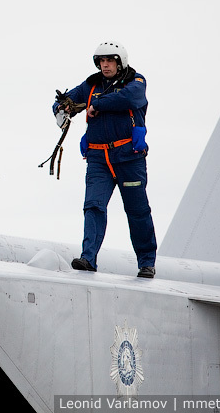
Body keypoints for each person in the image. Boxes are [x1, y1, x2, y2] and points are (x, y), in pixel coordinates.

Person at [53, 41, 157, 278]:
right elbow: (69, 99)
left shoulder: (136, 82)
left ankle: (146, 263)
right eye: (101, 61)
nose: (105, 65)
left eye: (109, 60)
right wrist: (60, 107)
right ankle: (88, 259)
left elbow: (128, 99)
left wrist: (95, 105)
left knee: (137, 210)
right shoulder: (92, 85)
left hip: (129, 159)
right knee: (93, 206)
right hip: (99, 159)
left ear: (120, 62)